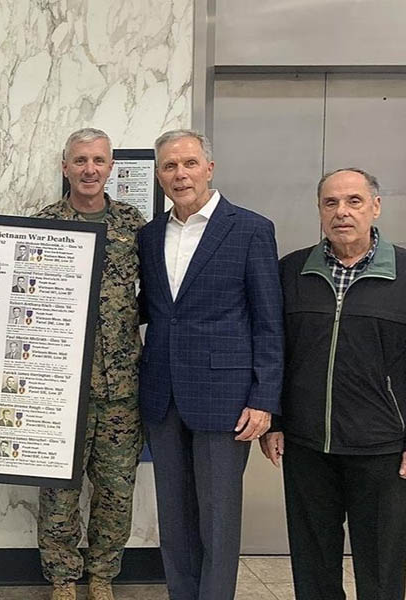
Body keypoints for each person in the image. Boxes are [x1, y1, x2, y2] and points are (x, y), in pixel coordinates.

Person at [138, 129, 284, 600]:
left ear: (209, 168)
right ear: (159, 175)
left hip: (226, 399)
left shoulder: (250, 229)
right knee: (174, 517)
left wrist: (265, 400)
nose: (180, 174)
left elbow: (269, 321)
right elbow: (151, 309)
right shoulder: (149, 235)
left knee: (218, 519)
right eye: (169, 166)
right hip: (162, 394)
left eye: (189, 163)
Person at [261, 168, 406, 600]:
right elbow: (275, 351)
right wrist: (275, 421)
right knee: (313, 566)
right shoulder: (291, 271)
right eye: (331, 202)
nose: (342, 211)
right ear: (320, 210)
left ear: (375, 207)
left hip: (381, 448)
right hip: (306, 445)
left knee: (381, 569)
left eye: (354, 201)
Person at [34, 128, 145, 600]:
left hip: (121, 389)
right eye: (80, 160)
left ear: (111, 166)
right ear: (65, 167)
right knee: (58, 493)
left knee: (116, 493)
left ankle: (102, 576)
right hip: (60, 388)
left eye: (98, 160)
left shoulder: (134, 224)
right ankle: (62, 578)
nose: (89, 169)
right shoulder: (44, 224)